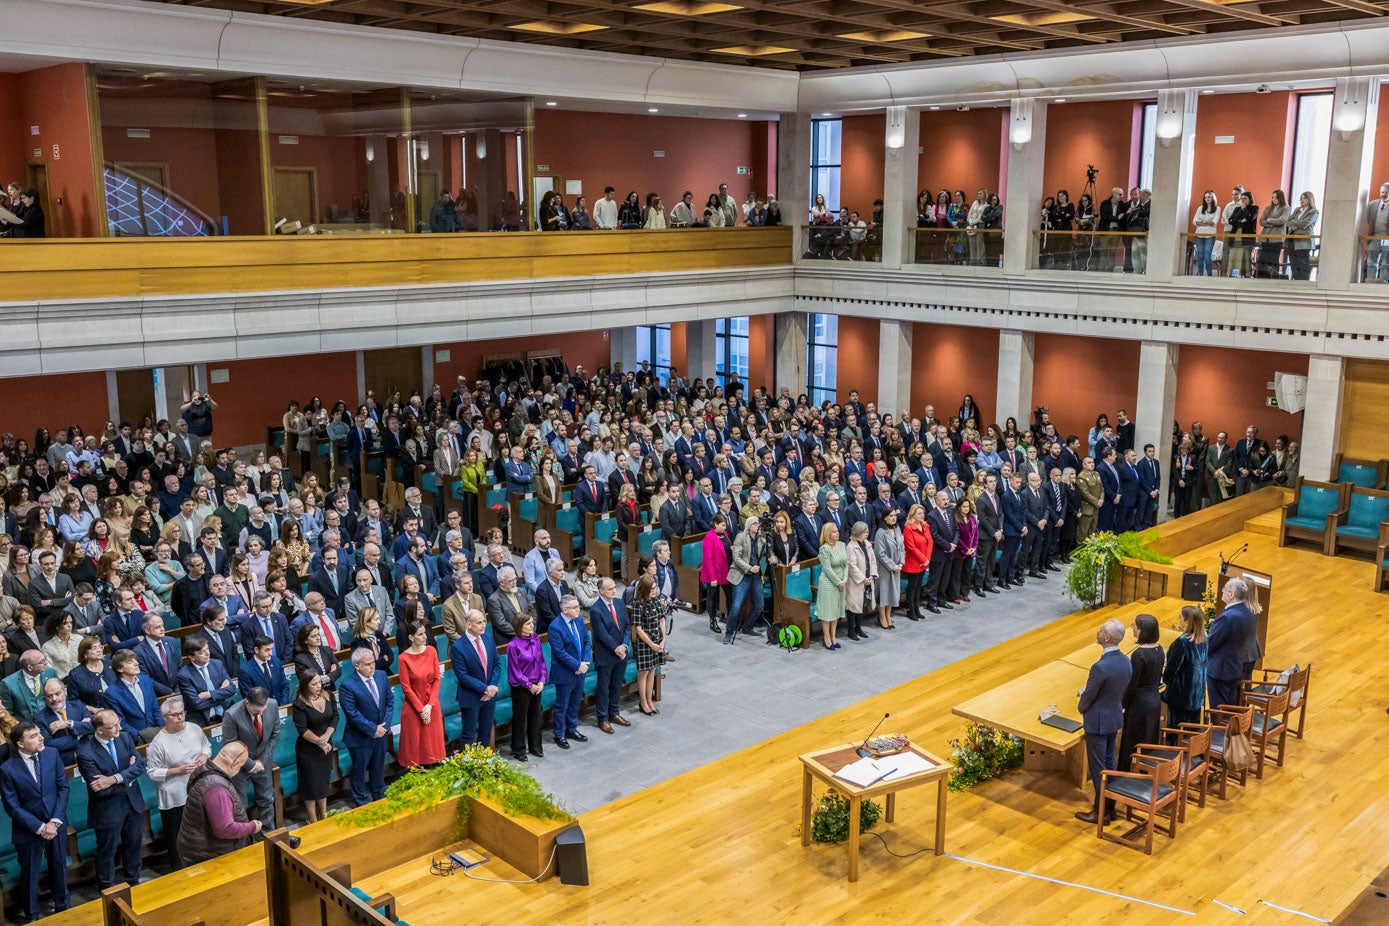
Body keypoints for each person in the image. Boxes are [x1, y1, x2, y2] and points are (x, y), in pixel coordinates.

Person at [0, 721, 69, 919]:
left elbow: (63, 788)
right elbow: (12, 807)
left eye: (40, 733)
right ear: (20, 743)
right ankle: (32, 915)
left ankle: (64, 909)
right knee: (30, 876)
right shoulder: (8, 769)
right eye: (33, 736)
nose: (41, 738)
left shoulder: (51, 754)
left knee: (59, 869)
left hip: (56, 826)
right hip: (29, 832)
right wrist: (40, 827)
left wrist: (54, 822)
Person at [76, 709, 147, 889]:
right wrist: (127, 778)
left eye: (118, 723)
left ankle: (134, 881)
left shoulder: (123, 738)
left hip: (132, 803)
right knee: (107, 851)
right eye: (113, 726)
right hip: (107, 809)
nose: (119, 728)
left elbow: (140, 765)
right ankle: (107, 888)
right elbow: (100, 790)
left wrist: (114, 779)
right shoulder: (85, 752)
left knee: (134, 843)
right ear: (99, 730)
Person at [1075, 619, 1131, 826]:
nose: (1097, 632)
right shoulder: (1125, 661)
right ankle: (1110, 807)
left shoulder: (1100, 667)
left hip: (1097, 722)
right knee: (1110, 763)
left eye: (1101, 630)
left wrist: (1081, 707)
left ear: (1106, 637)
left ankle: (1100, 812)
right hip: (1114, 716)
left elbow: (1088, 697)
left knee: (1099, 769)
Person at [145, 696, 211, 869]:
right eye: (175, 715)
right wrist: (177, 770)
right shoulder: (158, 743)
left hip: (197, 787)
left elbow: (206, 746)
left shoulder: (194, 728)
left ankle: (203, 860)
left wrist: (204, 756)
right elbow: (151, 772)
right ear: (165, 717)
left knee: (201, 829)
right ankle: (180, 868)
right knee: (178, 835)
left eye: (182, 713)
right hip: (174, 795)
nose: (180, 717)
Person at [176, 741, 261, 866]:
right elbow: (224, 829)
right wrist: (252, 827)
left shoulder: (203, 769)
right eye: (240, 766)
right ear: (235, 764)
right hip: (208, 854)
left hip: (196, 845)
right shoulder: (217, 790)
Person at [223, 686, 279, 830]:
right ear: (247, 703)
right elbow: (231, 745)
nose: (260, 713)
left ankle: (268, 834)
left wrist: (262, 761)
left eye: (263, 710)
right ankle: (243, 839)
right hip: (239, 766)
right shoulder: (232, 714)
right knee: (240, 805)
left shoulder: (272, 705)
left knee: (267, 800)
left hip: (263, 761)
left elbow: (275, 735)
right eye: (256, 711)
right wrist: (250, 764)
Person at [1118, 613, 1164, 772]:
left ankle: (1124, 774)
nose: (1132, 628)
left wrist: (1122, 704)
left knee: (1131, 741)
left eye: (1134, 626)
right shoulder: (1160, 649)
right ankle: (1146, 771)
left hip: (1140, 703)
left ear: (1142, 630)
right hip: (1154, 699)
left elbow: (1132, 684)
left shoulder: (1139, 654)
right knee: (1149, 739)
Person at [397, 618, 446, 767]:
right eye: (420, 634)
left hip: (431, 704)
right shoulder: (403, 658)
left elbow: (437, 679)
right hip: (414, 707)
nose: (425, 637)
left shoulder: (431, 651)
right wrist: (421, 709)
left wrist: (429, 706)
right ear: (411, 637)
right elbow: (406, 687)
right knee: (416, 750)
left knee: (433, 746)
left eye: (424, 633)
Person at [449, 609, 500, 747]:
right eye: (479, 622)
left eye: (484, 621)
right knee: (469, 734)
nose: (483, 625)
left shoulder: (488, 638)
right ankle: (469, 766)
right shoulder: (458, 647)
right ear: (469, 625)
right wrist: (485, 689)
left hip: (490, 696)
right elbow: (463, 676)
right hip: (471, 697)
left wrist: (492, 688)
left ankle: (484, 765)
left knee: (486, 732)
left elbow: (496, 664)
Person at [291, 670, 337, 822]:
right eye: (314, 684)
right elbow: (302, 729)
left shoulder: (328, 695)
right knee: (311, 784)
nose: (318, 686)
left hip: (325, 744)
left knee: (323, 781)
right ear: (305, 686)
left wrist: (326, 737)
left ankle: (324, 813)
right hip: (308, 749)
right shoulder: (299, 703)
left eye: (319, 682)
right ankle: (312, 816)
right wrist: (319, 741)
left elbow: (335, 717)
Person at [548, 595, 591, 750]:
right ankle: (559, 734)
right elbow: (560, 652)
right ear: (564, 610)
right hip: (565, 672)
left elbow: (586, 641)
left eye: (578, 606)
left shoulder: (578, 620)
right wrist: (577, 665)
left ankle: (572, 729)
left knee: (575, 702)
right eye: (574, 607)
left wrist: (585, 661)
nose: (578, 609)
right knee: (562, 704)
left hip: (581, 669)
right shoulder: (555, 627)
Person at [1207, 577, 1258, 709]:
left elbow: (1211, 644)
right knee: (1231, 708)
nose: (1222, 591)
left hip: (1220, 671)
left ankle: (1221, 730)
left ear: (1231, 595)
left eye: (1225, 589)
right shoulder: (1248, 612)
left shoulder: (1227, 617)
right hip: (1235, 667)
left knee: (1219, 712)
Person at [590, 577, 631, 734]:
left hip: (622, 653)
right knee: (604, 687)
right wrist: (616, 648)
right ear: (601, 591)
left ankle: (614, 713)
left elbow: (627, 626)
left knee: (616, 684)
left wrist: (625, 646)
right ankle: (602, 718)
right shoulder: (596, 610)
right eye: (610, 589)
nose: (614, 590)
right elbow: (601, 634)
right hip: (606, 655)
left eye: (614, 587)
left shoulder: (619, 603)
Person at [506, 613, 547, 761]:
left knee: (535, 716)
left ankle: (535, 746)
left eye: (532, 623)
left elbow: (541, 661)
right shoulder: (513, 645)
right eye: (528, 623)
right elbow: (515, 671)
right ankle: (519, 749)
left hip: (537, 684)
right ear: (520, 626)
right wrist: (529, 685)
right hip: (522, 687)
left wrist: (542, 681)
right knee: (520, 718)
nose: (532, 626)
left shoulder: (535, 639)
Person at [1162, 604, 1209, 736]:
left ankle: (1175, 755)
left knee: (1176, 733)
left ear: (1187, 621)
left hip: (1181, 696)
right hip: (1198, 694)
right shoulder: (1205, 636)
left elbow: (1171, 670)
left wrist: (1165, 680)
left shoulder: (1182, 642)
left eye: (1180, 616)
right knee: (1191, 732)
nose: (1178, 618)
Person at [723, 514, 766, 643]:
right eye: (754, 524)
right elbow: (736, 558)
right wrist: (749, 568)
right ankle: (729, 632)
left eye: (758, 524)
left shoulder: (761, 539)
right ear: (748, 526)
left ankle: (747, 627)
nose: (757, 526)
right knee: (736, 607)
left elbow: (766, 552)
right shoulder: (741, 537)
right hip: (742, 575)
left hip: (755, 576)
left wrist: (771, 557)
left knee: (759, 606)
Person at [176, 636, 237, 726]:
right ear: (192, 657)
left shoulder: (217, 664)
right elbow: (197, 704)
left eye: (207, 649)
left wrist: (210, 694)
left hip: (224, 713)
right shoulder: (184, 675)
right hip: (201, 719)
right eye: (201, 652)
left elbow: (232, 689)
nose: (207, 653)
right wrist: (221, 693)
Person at [628, 576, 664, 716]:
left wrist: (663, 641)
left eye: (655, 588)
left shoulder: (655, 601)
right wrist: (652, 644)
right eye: (651, 589)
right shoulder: (638, 604)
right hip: (645, 643)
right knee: (643, 672)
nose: (654, 591)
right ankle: (643, 702)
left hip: (657, 640)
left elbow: (662, 619)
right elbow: (638, 628)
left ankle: (650, 700)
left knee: (652, 671)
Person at [36, 677, 92, 765]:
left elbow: (93, 727)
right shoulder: (40, 718)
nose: (54, 698)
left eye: (57, 694)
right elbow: (48, 744)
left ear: (65, 691)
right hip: (64, 762)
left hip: (89, 755)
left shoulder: (78, 706)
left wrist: (69, 724)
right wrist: (79, 734)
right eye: (49, 696)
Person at [816, 522, 847, 650]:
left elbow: (846, 564)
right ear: (828, 534)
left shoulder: (842, 545)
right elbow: (827, 569)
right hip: (828, 583)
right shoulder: (824, 549)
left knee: (836, 610)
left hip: (841, 582)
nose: (837, 533)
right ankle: (826, 637)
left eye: (837, 531)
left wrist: (844, 579)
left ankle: (834, 636)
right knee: (828, 611)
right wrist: (838, 582)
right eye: (834, 531)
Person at [843, 520, 876, 642]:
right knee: (853, 606)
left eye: (867, 532)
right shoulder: (851, 547)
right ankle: (850, 630)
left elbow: (872, 560)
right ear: (857, 533)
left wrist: (872, 575)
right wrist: (863, 579)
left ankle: (858, 628)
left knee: (861, 605)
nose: (866, 534)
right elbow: (852, 566)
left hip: (867, 578)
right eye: (864, 532)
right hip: (855, 582)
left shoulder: (867, 543)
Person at [699, 513, 732, 634]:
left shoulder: (725, 534)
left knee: (730, 595)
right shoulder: (709, 537)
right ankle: (712, 621)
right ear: (716, 525)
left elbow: (726, 549)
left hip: (725, 571)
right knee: (712, 597)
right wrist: (713, 578)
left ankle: (730, 619)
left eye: (725, 525)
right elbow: (708, 559)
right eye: (723, 525)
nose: (725, 528)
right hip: (713, 573)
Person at [901, 504, 931, 621]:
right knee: (912, 587)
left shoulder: (925, 526)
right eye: (919, 513)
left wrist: (927, 559)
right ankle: (911, 609)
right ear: (913, 514)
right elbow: (910, 547)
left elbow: (930, 542)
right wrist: (923, 559)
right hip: (913, 561)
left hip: (924, 562)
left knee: (919, 587)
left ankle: (917, 608)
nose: (922, 516)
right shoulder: (908, 527)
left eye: (923, 513)